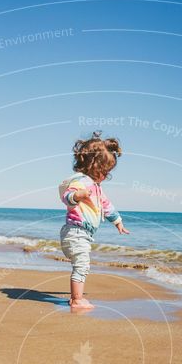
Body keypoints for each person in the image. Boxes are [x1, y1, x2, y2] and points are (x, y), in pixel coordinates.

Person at [58, 132, 129, 309]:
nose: (106, 175)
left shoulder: (96, 187)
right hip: (75, 232)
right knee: (82, 265)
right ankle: (76, 300)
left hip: (82, 234)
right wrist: (77, 195)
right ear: (92, 165)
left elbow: (106, 205)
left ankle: (76, 297)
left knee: (82, 265)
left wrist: (117, 221)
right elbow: (67, 197)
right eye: (104, 171)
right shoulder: (81, 182)